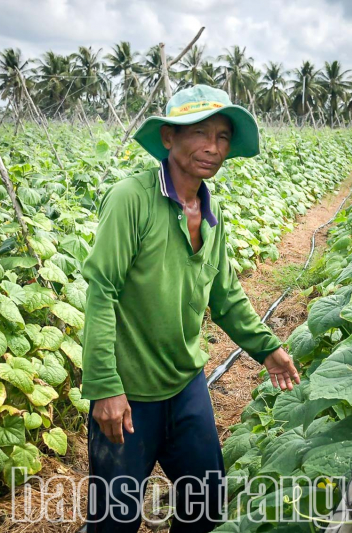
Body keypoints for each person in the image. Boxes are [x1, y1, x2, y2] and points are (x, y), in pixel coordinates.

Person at [79, 84, 300, 532]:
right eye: (199, 133)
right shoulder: (131, 200)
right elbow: (102, 292)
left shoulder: (210, 213)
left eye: (221, 136)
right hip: (129, 394)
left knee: (205, 504)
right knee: (113, 521)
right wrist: (104, 386)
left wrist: (268, 349)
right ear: (168, 138)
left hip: (185, 385)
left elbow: (226, 297)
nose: (212, 148)